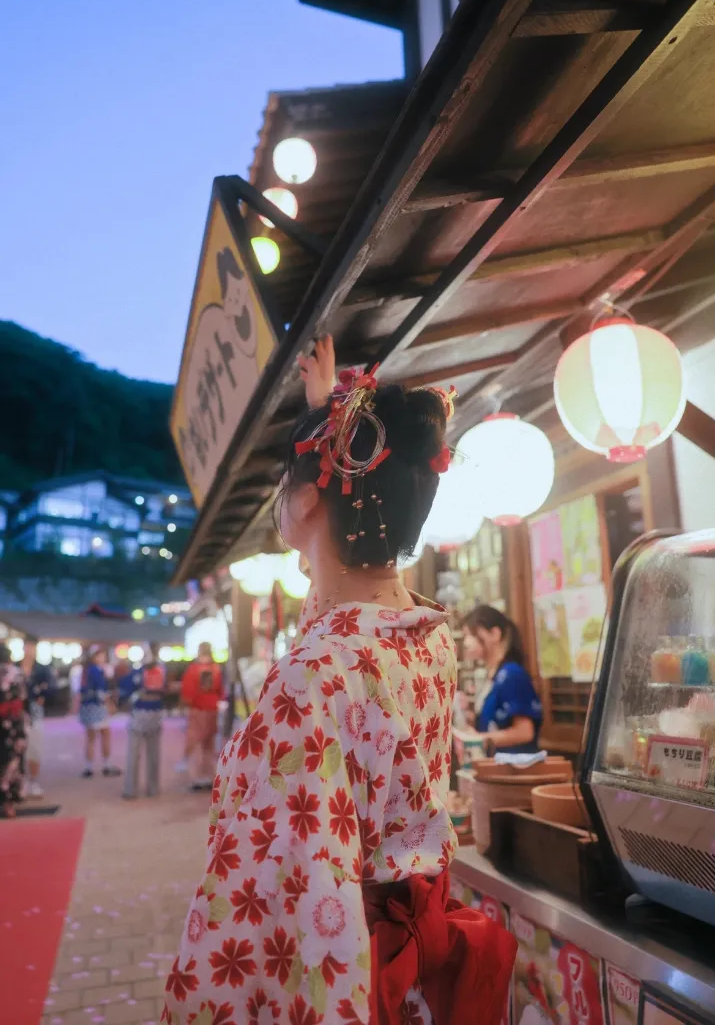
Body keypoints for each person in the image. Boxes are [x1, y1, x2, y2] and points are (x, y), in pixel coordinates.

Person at [162, 339, 516, 1025]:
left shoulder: (312, 676)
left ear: (308, 499)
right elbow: (343, 596)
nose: (277, 499)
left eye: (283, 485)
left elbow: (283, 904)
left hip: (346, 976)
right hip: (404, 971)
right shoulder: (424, 633)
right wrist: (323, 416)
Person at [462, 606, 543, 755]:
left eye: (471, 635)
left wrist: (481, 738)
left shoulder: (511, 674)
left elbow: (525, 732)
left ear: (495, 634)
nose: (466, 642)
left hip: (515, 769)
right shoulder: (493, 675)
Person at [121, 643, 166, 799]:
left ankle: (145, 788)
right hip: (142, 713)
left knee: (150, 754)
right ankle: (133, 789)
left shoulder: (159, 671)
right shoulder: (139, 672)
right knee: (136, 754)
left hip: (152, 713)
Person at [179, 643, 226, 791]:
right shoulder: (216, 669)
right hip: (212, 709)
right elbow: (221, 690)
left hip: (198, 709)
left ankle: (196, 777)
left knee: (195, 741)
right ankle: (209, 776)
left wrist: (185, 704)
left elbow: (188, 692)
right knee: (209, 744)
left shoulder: (193, 669)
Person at [78, 646, 121, 778]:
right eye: (100, 655)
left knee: (91, 737)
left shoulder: (86, 671)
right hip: (97, 706)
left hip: (87, 706)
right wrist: (110, 705)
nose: (102, 658)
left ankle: (88, 766)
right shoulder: (97, 671)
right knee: (105, 734)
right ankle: (106, 765)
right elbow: (101, 692)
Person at [21, 637, 55, 799]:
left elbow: (51, 687)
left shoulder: (42, 669)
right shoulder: (14, 667)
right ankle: (17, 782)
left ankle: (33, 781)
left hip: (34, 711)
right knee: (15, 750)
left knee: (34, 748)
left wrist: (41, 696)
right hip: (15, 713)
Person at [0, 642, 28, 819]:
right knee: (12, 761)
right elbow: (24, 698)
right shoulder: (16, 674)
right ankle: (9, 804)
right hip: (13, 722)